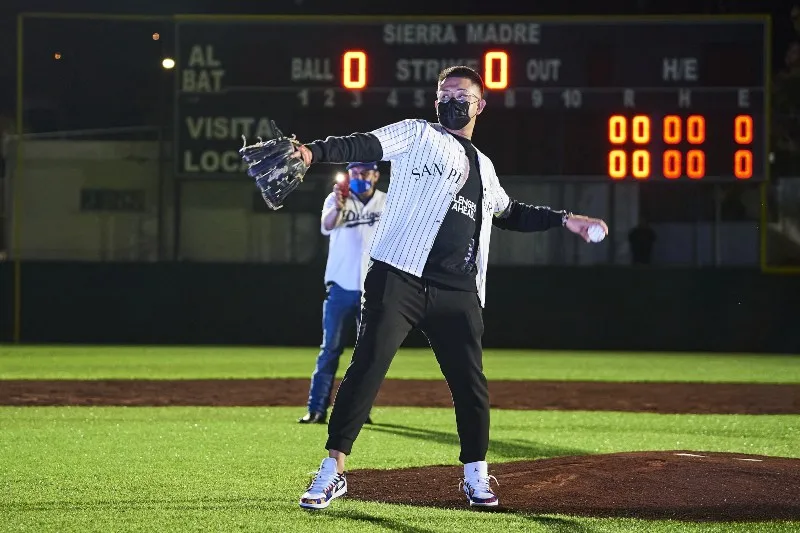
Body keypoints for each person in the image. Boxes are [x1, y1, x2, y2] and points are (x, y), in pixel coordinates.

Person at [292, 65, 608, 510]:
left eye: (461, 93)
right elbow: (365, 144)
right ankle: (333, 470)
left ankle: (476, 475)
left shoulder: (484, 166)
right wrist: (312, 152)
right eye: (445, 93)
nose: (452, 99)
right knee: (367, 367)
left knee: (470, 384)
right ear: (435, 101)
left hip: (457, 290)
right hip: (398, 274)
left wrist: (563, 218)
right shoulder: (416, 134)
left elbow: (508, 211)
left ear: (480, 105)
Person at [298, 162, 386, 425]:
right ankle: (316, 409)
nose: (360, 176)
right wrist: (338, 204)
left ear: (376, 175)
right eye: (355, 172)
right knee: (330, 350)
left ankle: (360, 411)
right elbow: (327, 225)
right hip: (340, 287)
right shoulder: (337, 198)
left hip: (372, 289)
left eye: (365, 172)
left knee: (367, 355)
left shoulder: (386, 201)